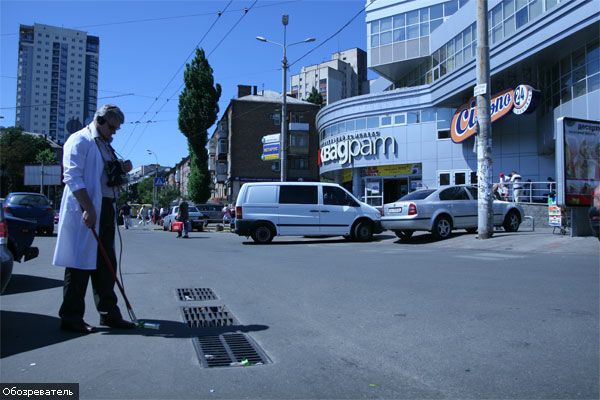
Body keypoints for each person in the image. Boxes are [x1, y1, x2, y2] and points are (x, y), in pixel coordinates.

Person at [52, 104, 136, 334]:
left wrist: (122, 168)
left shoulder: (104, 145)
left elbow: (103, 175)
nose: (114, 132)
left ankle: (109, 314)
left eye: (117, 128)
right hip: (86, 209)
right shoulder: (80, 140)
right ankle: (70, 317)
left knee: (106, 265)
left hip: (105, 208)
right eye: (112, 127)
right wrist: (88, 207)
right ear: (99, 121)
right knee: (79, 264)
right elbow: (72, 175)